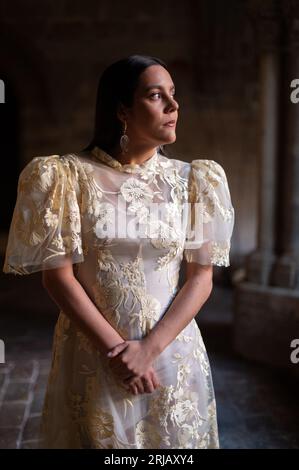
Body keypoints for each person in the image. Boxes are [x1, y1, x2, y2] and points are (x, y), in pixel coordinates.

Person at [2, 54, 235, 449]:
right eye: (156, 96)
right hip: (95, 353)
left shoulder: (196, 180)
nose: (174, 107)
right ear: (122, 110)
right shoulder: (64, 176)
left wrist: (149, 350)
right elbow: (58, 278)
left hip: (173, 352)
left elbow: (201, 278)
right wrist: (117, 352)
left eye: (173, 95)